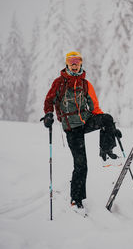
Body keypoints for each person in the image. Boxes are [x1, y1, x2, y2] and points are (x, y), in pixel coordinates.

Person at [42, 51, 121, 211]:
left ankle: (106, 149)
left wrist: (110, 128)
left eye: (77, 61)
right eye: (71, 61)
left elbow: (95, 108)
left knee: (107, 118)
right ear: (66, 64)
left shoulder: (85, 84)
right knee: (81, 165)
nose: (74, 64)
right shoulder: (59, 82)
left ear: (81, 64)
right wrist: (48, 114)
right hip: (72, 127)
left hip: (85, 120)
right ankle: (76, 199)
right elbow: (49, 100)